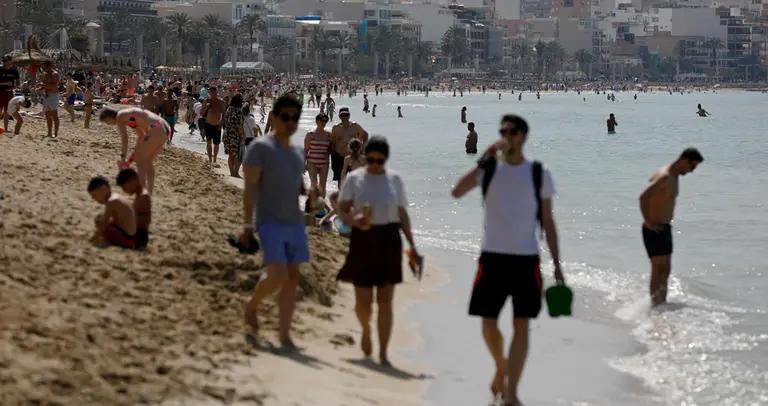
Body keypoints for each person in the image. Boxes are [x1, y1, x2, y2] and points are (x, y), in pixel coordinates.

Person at [451, 114, 564, 406]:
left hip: (527, 259)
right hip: (492, 258)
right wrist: (483, 160)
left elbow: (548, 222)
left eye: (512, 132)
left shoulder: (539, 172)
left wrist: (558, 265)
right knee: (488, 324)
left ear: (524, 136)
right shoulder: (489, 170)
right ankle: (502, 368)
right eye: (503, 132)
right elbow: (457, 192)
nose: (507, 136)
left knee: (522, 325)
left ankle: (512, 393)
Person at [336, 136, 419, 366]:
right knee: (363, 303)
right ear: (365, 156)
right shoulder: (354, 179)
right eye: (370, 159)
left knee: (385, 301)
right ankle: (365, 330)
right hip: (363, 238)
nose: (373, 164)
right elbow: (342, 211)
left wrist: (413, 245)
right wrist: (353, 220)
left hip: (389, 239)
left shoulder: (395, 180)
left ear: (386, 159)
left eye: (379, 161)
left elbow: (402, 214)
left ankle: (383, 352)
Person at [239, 94, 308, 349]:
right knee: (277, 273)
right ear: (274, 117)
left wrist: (311, 195)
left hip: (295, 222)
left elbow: (298, 186)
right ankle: (252, 305)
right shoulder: (260, 147)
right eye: (285, 117)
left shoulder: (297, 152)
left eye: (295, 118)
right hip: (269, 221)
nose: (290, 122)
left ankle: (284, 335)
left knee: (291, 278)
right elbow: (249, 189)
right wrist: (247, 224)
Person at [639, 148, 704, 306]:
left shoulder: (673, 176)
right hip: (654, 229)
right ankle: (655, 305)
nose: (692, 171)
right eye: (692, 166)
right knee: (658, 269)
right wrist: (648, 221)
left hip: (664, 228)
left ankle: (662, 303)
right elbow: (643, 196)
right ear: (684, 160)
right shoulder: (665, 176)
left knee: (665, 270)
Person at [99, 107, 169, 195]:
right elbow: (141, 135)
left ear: (108, 117)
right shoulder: (128, 115)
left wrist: (123, 158)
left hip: (155, 128)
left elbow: (125, 138)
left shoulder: (120, 117)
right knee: (148, 161)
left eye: (106, 121)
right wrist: (136, 149)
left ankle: (143, 192)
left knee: (141, 162)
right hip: (165, 128)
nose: (108, 124)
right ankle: (149, 192)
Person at [87, 176, 137, 249]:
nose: (95, 199)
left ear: (104, 189)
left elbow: (104, 223)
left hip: (127, 240)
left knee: (99, 221)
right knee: (101, 218)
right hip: (134, 237)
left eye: (95, 196)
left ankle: (110, 241)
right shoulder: (116, 197)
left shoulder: (111, 202)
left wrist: (94, 238)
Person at [331, 107, 368, 189]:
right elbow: (332, 143)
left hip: (353, 157)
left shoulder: (355, 126)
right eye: (342, 115)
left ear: (349, 115)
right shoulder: (335, 128)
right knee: (340, 180)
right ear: (339, 116)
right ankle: (341, 198)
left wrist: (363, 147)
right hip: (339, 156)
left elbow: (365, 135)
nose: (344, 116)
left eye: (346, 114)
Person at [116, 168, 151, 250]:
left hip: (139, 237)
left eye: (124, 187)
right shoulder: (139, 196)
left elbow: (146, 220)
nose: (124, 191)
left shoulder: (144, 197)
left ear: (133, 180)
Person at [304, 113, 331, 197]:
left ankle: (321, 207)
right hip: (312, 161)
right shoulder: (310, 134)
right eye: (322, 120)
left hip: (324, 162)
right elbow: (306, 149)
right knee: (314, 183)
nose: (324, 123)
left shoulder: (329, 135)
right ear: (317, 121)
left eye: (325, 121)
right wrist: (303, 162)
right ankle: (312, 205)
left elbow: (332, 147)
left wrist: (328, 152)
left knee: (322, 185)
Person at [201, 86, 225, 166]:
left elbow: (224, 115)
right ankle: (210, 160)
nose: (213, 95)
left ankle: (215, 159)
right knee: (208, 142)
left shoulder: (221, 102)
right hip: (208, 124)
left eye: (215, 93)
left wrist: (221, 125)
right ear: (209, 93)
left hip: (217, 125)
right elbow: (201, 113)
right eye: (212, 94)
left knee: (216, 144)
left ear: (217, 93)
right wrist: (206, 107)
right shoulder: (206, 101)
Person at [224, 93, 246, 178]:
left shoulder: (228, 109)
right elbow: (239, 124)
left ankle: (231, 172)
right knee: (237, 155)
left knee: (230, 155)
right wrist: (243, 134)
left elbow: (226, 120)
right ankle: (235, 172)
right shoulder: (238, 110)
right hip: (235, 134)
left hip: (227, 133)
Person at [39, 61, 60, 138]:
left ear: (49, 66)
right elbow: (45, 86)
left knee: (54, 115)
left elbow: (54, 86)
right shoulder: (43, 74)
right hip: (46, 95)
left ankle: (56, 133)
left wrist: (43, 85)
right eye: (42, 68)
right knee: (47, 115)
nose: (43, 69)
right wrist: (40, 88)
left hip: (53, 95)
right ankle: (49, 132)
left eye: (45, 67)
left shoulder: (55, 74)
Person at [0, 56, 20, 133]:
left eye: (5, 61)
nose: (4, 62)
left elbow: (18, 84)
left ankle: (5, 129)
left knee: (7, 111)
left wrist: (13, 87)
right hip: (0, 92)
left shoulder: (14, 71)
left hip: (9, 92)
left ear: (10, 61)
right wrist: (5, 83)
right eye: (3, 61)